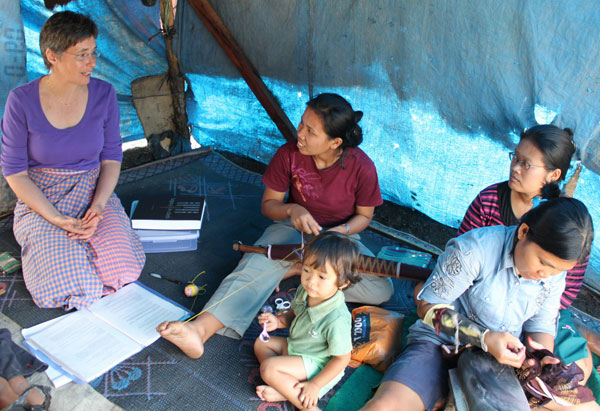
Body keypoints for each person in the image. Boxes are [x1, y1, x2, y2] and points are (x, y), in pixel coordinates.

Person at [157, 93, 392, 358]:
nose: (300, 133)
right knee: (252, 268)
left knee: (380, 288)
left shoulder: (361, 166)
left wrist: (341, 232)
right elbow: (269, 205)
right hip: (294, 229)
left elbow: (364, 217)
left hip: (339, 237)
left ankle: (299, 269)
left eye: (311, 131)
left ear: (335, 142)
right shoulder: (289, 154)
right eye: (302, 124)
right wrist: (292, 209)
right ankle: (199, 330)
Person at [362, 197, 596, 411]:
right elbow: (428, 308)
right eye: (542, 262)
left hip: (503, 359)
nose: (545, 274)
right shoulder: (474, 249)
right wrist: (483, 337)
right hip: (440, 343)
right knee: (384, 407)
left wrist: (541, 357)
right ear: (524, 231)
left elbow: (540, 325)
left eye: (557, 270)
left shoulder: (553, 275)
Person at [0, 11, 145, 310]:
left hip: (90, 191)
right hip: (42, 199)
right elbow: (15, 172)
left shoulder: (103, 94)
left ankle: (79, 250)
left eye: (93, 52)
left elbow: (111, 158)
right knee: (67, 285)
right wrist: (55, 218)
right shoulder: (21, 100)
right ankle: (55, 249)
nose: (92, 63)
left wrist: (98, 207)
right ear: (52, 56)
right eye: (82, 55)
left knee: (125, 269)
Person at [457, 125, 596, 385]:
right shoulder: (489, 201)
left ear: (553, 175)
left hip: (540, 311)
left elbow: (563, 296)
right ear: (522, 232)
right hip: (480, 303)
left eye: (526, 164)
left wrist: (535, 337)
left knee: (575, 372)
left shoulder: (571, 227)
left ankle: (580, 337)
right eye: (515, 158)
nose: (515, 168)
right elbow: (460, 258)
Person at [254, 232, 359, 410]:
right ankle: (285, 388)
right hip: (297, 347)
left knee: (268, 368)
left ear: (342, 282)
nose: (310, 281)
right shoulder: (305, 291)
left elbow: (342, 359)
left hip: (318, 364)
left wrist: (316, 384)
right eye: (307, 270)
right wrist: (277, 321)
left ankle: (307, 406)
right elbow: (294, 314)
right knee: (260, 343)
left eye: (322, 277)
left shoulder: (336, 319)